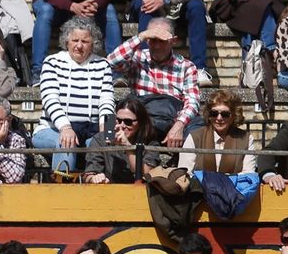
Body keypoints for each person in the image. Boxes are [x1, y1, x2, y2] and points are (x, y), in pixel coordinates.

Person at [31, 17, 115, 175]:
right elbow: (50, 100)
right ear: (66, 41)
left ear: (93, 43)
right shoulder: (52, 62)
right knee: (66, 142)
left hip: (90, 130)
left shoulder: (103, 65)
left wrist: (108, 132)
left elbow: (107, 102)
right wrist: (65, 127)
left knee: (107, 145)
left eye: (85, 41)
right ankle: (61, 191)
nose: (79, 46)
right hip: (52, 129)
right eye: (75, 40)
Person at [107, 20, 200, 148]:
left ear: (173, 41)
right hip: (142, 118)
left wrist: (179, 125)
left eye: (162, 41)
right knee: (109, 120)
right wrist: (141, 36)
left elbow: (192, 102)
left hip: (172, 118)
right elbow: (111, 62)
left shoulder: (186, 66)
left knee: (199, 127)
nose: (156, 46)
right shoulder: (137, 58)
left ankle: (185, 167)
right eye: (152, 40)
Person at [178, 89, 258, 174]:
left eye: (225, 114)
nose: (219, 118)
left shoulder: (245, 139)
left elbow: (248, 174)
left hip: (234, 186)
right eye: (214, 113)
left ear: (234, 115)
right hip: (199, 186)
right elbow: (185, 173)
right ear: (209, 115)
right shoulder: (195, 137)